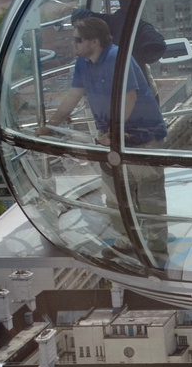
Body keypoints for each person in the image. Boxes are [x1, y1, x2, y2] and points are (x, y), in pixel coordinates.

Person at [50, 14, 168, 257]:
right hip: (112, 137)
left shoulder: (118, 59)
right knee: (115, 195)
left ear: (94, 41)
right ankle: (126, 241)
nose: (73, 44)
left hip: (142, 137)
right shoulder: (83, 63)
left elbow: (130, 98)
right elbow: (73, 95)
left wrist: (111, 134)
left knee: (148, 194)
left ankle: (156, 245)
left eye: (77, 40)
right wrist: (51, 125)